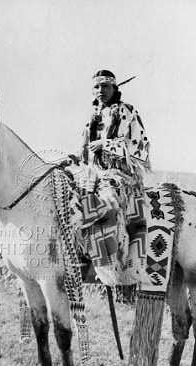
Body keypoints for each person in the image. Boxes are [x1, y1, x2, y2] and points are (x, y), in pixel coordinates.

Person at [77, 69, 151, 289]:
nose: (101, 91)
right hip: (92, 174)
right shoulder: (92, 116)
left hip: (120, 175)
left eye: (105, 86)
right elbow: (83, 149)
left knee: (106, 206)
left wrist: (106, 144)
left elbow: (140, 146)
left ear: (115, 88)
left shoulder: (127, 111)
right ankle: (81, 261)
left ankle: (111, 268)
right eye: (97, 87)